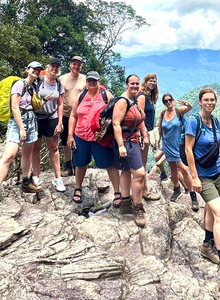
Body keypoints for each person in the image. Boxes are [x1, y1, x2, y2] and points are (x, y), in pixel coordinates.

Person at [184, 87, 220, 289]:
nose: (210, 103)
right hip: (203, 177)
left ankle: (207, 245)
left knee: (211, 210)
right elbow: (188, 149)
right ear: (200, 101)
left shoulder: (215, 121)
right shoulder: (193, 121)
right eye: (206, 100)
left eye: (212, 100)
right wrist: (194, 177)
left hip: (217, 173)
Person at [0, 62, 44, 215]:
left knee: (27, 153)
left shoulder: (35, 86)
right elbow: (15, 107)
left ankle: (26, 181)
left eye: (38, 69)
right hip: (17, 122)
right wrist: (21, 128)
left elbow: (34, 105)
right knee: (9, 156)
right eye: (33, 68)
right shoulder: (18, 85)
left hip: (31, 120)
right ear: (27, 70)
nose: (36, 71)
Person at [68, 71, 120, 204]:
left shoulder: (105, 95)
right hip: (81, 136)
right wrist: (70, 135)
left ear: (99, 81)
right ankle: (78, 189)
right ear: (86, 82)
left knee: (109, 164)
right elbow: (73, 115)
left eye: (94, 80)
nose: (92, 83)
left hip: (99, 138)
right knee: (80, 163)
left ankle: (117, 192)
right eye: (89, 80)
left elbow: (115, 114)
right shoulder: (81, 96)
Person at [112, 74, 149, 227]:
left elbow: (139, 120)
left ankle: (126, 203)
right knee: (139, 173)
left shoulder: (133, 100)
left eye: (137, 84)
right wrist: (121, 145)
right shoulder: (122, 101)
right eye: (132, 83)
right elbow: (116, 123)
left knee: (126, 171)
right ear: (127, 84)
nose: (135, 86)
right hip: (126, 141)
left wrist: (144, 135)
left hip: (132, 139)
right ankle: (137, 206)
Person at [156, 93, 199, 209]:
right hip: (167, 145)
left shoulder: (178, 111)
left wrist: (187, 104)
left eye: (170, 100)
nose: (168, 102)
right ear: (164, 103)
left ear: (173, 100)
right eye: (166, 101)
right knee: (173, 169)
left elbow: (190, 108)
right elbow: (160, 128)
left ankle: (193, 195)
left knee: (184, 170)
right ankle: (176, 189)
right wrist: (158, 142)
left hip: (178, 145)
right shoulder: (162, 114)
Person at [30, 57, 65, 192]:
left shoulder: (58, 84)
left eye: (57, 67)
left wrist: (60, 122)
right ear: (48, 67)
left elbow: (60, 103)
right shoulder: (39, 81)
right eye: (53, 66)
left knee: (54, 147)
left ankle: (58, 177)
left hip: (52, 117)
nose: (54, 69)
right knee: (36, 147)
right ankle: (36, 176)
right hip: (37, 117)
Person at [59, 56, 86, 177]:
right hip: (65, 114)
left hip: (80, 115)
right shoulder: (62, 79)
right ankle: (68, 166)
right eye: (74, 64)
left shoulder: (85, 79)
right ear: (70, 64)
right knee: (66, 141)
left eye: (79, 65)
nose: (76, 66)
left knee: (79, 140)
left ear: (81, 66)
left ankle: (78, 166)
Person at [136, 73, 161, 201]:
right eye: (150, 81)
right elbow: (140, 118)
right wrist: (145, 135)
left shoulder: (150, 97)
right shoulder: (142, 97)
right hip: (141, 134)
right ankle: (144, 191)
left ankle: (142, 190)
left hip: (147, 132)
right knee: (142, 163)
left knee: (142, 163)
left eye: (154, 81)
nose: (152, 83)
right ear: (145, 82)